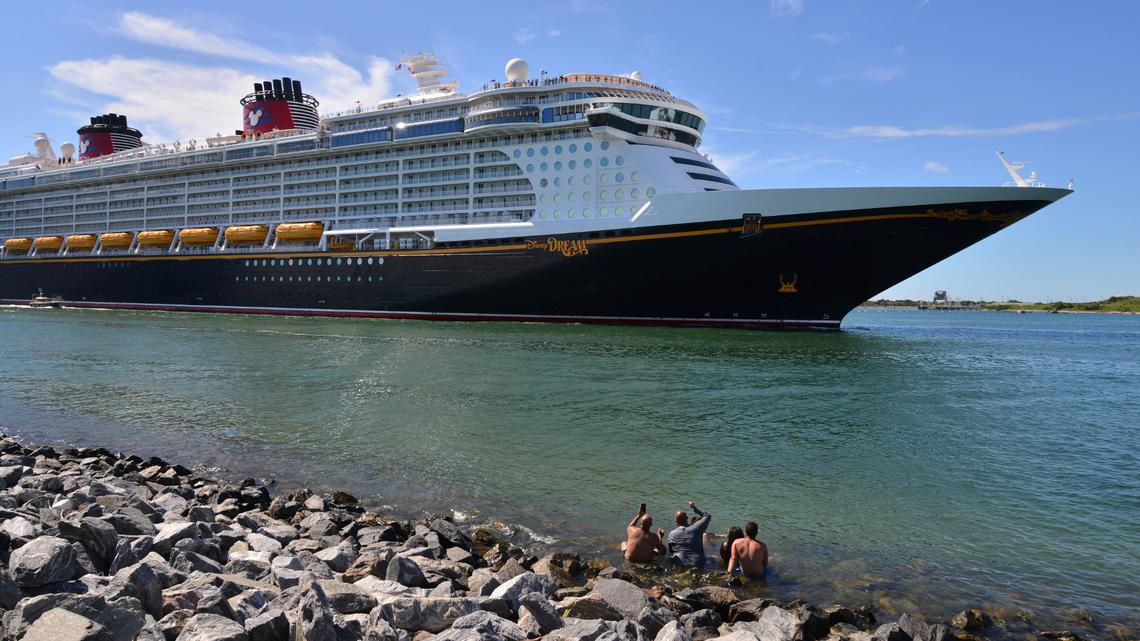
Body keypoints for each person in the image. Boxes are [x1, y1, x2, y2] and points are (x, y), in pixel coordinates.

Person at [666, 500, 711, 567]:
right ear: (687, 518)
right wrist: (694, 508)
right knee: (714, 558)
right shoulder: (696, 528)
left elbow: (671, 551)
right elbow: (707, 516)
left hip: (680, 563)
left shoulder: (672, 534)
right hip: (697, 563)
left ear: (676, 521)